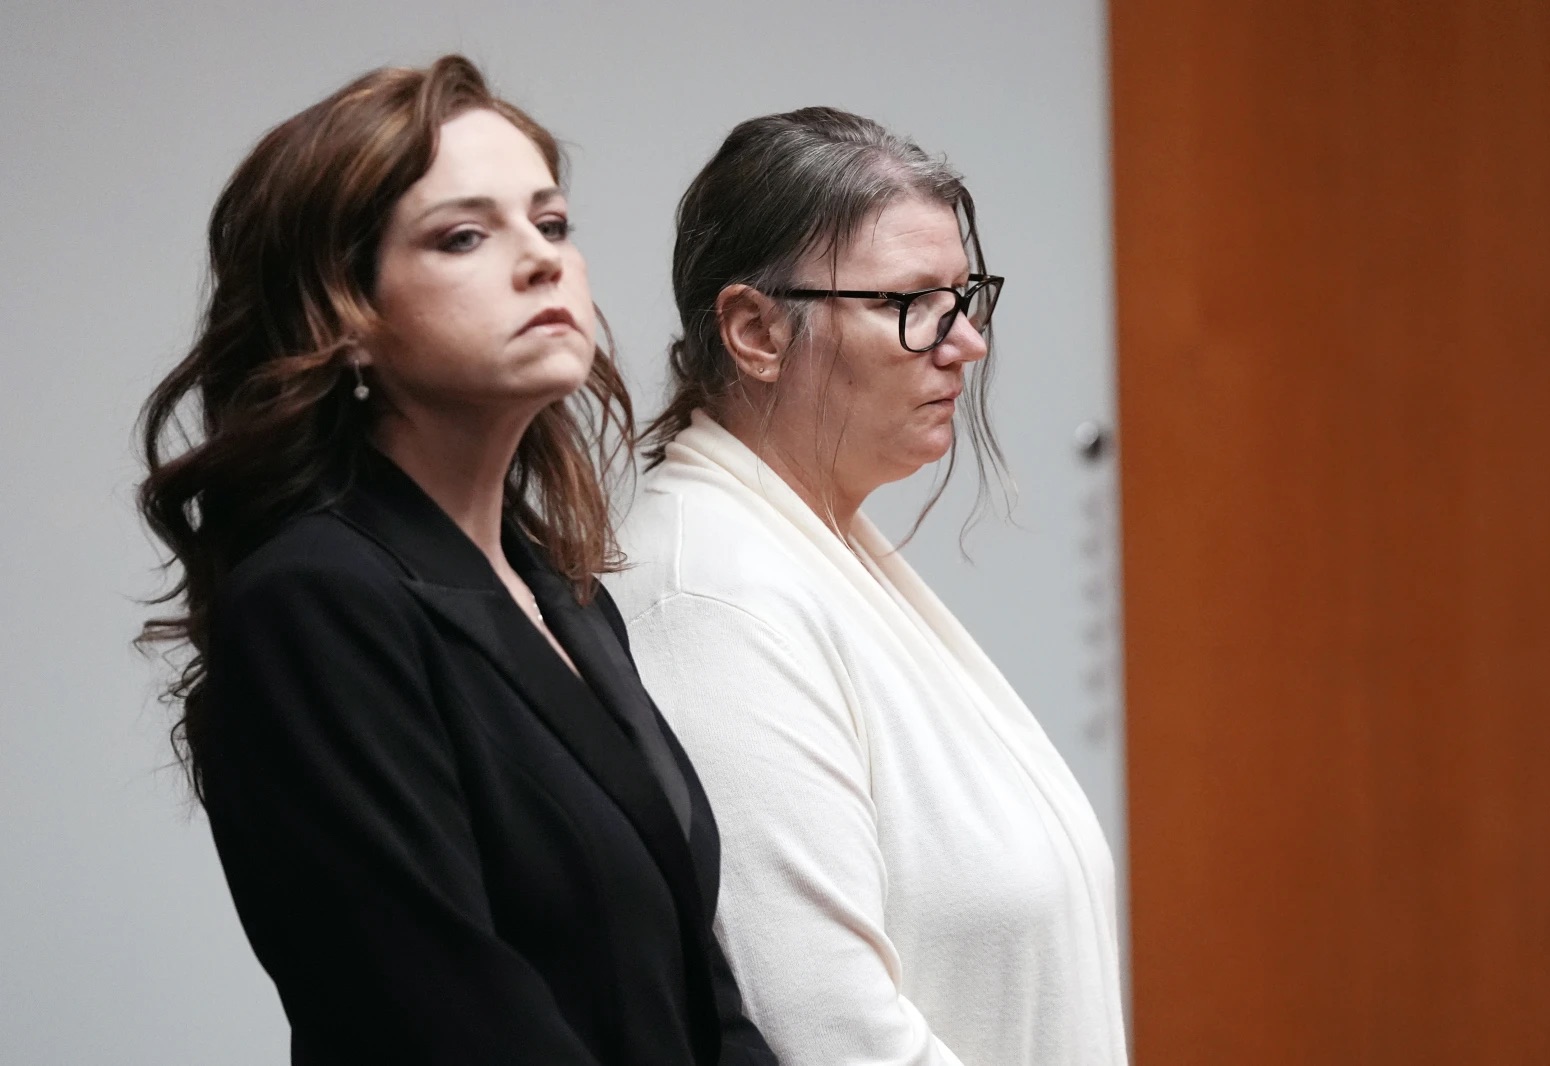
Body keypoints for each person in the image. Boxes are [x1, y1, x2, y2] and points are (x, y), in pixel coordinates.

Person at [136, 56, 773, 1066]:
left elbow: (702, 989)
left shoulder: (565, 596)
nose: (540, 260)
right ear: (341, 317)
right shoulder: (315, 601)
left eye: (551, 223)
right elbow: (445, 1019)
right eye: (463, 235)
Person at [606, 107, 1127, 1065]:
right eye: (912, 304)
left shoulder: (815, 547)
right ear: (756, 331)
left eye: (965, 297)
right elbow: (829, 1036)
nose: (965, 342)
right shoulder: (714, 596)